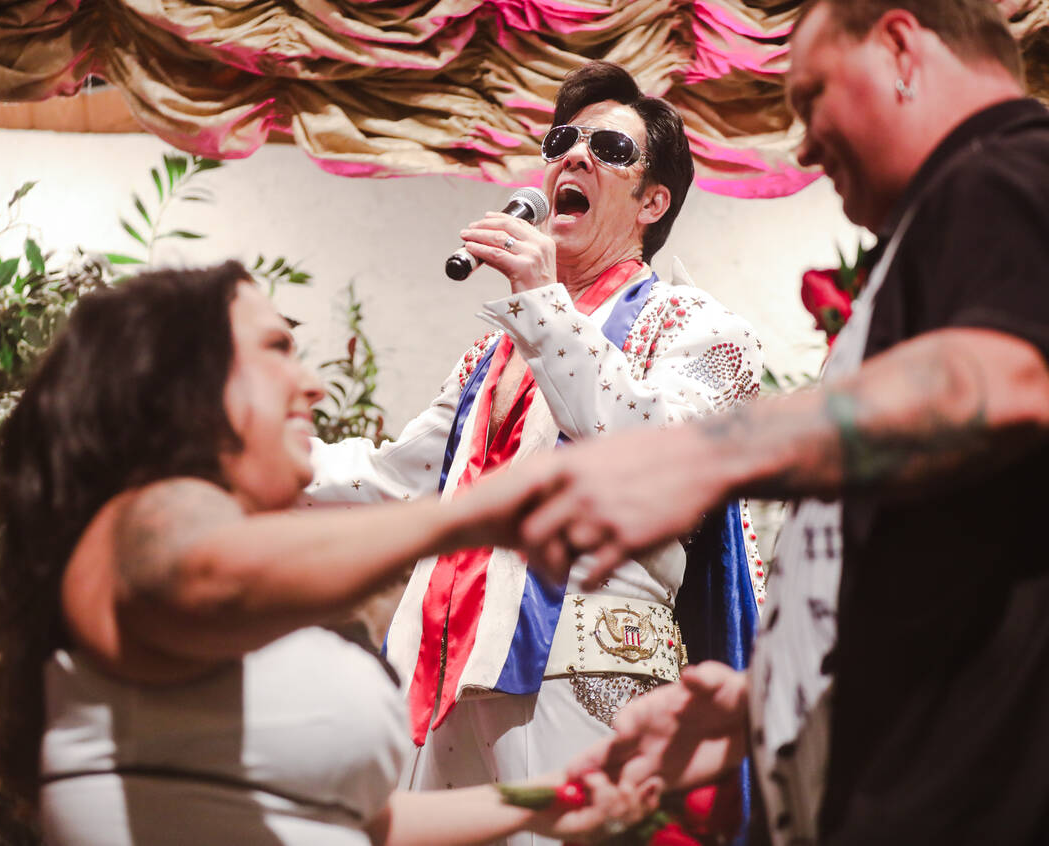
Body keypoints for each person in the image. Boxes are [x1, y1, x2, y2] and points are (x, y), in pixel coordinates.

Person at [522, 2, 1049, 843]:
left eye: (812, 98)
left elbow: (995, 387)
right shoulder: (968, 219)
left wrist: (701, 457)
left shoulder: (1019, 180)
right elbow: (966, 546)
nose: (802, 146)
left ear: (901, 47)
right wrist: (767, 699)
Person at [0, 262, 642, 845]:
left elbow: (360, 822)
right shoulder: (139, 527)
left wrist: (555, 796)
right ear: (177, 376)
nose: (314, 386)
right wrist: (478, 515)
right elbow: (204, 569)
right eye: (276, 349)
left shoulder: (247, 592)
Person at [306, 59, 766, 834]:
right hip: (446, 664)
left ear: (655, 202)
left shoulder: (699, 326)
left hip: (588, 667)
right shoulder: (496, 353)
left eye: (610, 150)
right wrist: (239, 462)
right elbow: (396, 479)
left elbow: (661, 455)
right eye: (562, 142)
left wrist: (544, 307)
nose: (574, 157)